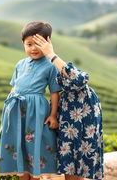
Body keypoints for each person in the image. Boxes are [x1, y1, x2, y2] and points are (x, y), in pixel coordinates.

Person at [32, 34, 104, 180]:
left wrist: (51, 54)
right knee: (69, 165)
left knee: (79, 166)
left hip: (84, 118)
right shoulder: (46, 69)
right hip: (66, 118)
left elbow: (79, 80)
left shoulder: (61, 67)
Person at [0, 22, 61, 180]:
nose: (33, 48)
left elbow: (54, 92)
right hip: (16, 110)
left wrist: (53, 115)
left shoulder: (50, 66)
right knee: (18, 146)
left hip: (35, 111)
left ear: (47, 42)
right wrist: (8, 110)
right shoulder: (20, 64)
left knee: (33, 146)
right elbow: (14, 87)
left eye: (38, 44)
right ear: (23, 44)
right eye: (29, 44)